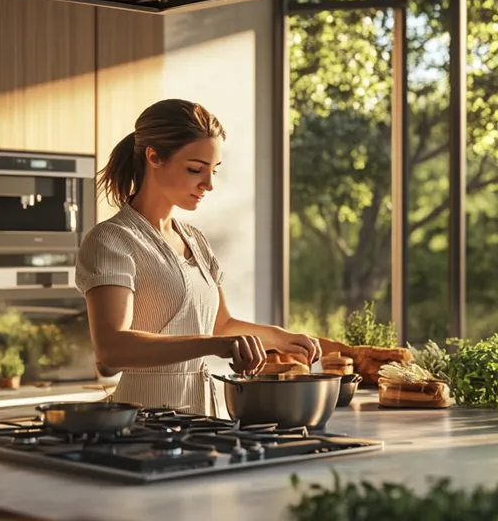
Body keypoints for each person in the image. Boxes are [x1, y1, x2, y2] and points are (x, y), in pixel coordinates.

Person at [74, 99, 321, 415]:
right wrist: (214, 346)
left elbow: (222, 326)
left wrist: (280, 338)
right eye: (195, 169)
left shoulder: (195, 240)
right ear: (153, 157)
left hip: (206, 418)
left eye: (214, 170)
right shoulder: (112, 240)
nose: (209, 184)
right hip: (144, 423)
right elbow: (112, 348)